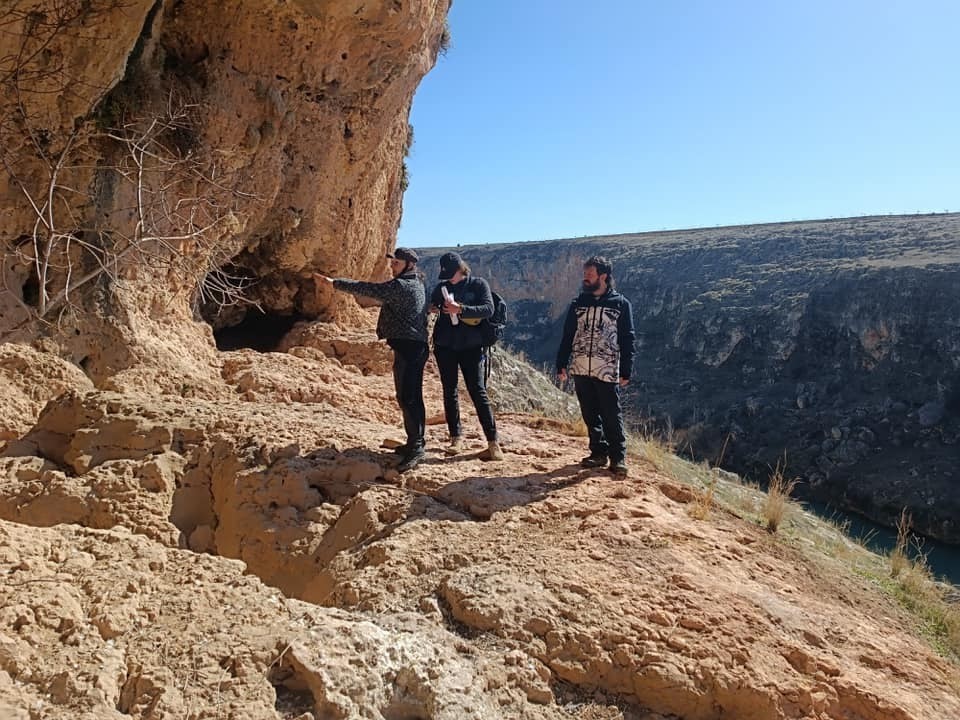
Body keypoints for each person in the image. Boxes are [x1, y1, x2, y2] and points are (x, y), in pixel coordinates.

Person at [314, 247, 429, 472]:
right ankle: (416, 441)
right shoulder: (417, 283)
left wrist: (334, 283)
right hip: (413, 346)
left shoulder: (401, 286)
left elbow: (368, 289)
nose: (391, 266)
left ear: (409, 265)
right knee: (411, 396)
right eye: (392, 262)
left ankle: (416, 447)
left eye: (396, 263)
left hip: (409, 348)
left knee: (408, 397)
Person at [555, 255, 636, 477]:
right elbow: (568, 335)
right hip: (580, 366)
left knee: (611, 413)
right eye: (584, 275)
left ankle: (618, 457)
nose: (585, 279)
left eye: (589, 276)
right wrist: (561, 362)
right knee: (589, 413)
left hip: (607, 367)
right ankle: (598, 453)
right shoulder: (578, 304)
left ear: (604, 276)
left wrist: (626, 369)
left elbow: (627, 338)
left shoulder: (620, 304)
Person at [430, 252, 503, 460]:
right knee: (449, 390)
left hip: (471, 347)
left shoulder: (479, 285)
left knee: (477, 391)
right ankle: (455, 437)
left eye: (451, 274)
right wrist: (436, 308)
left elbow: (488, 309)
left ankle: (492, 441)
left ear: (461, 269)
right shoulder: (441, 288)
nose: (448, 278)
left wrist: (460, 309)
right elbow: (431, 306)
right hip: (445, 346)